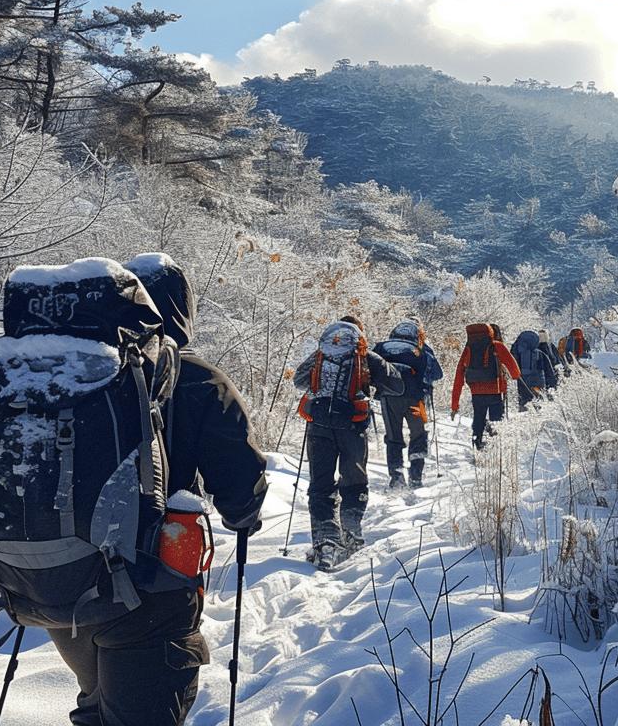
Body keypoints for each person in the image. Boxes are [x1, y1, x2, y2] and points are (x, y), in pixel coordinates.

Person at [46, 253, 268, 726]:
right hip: (152, 580)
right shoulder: (200, 381)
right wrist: (245, 516)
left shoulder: (68, 377)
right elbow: (238, 486)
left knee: (100, 698)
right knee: (144, 707)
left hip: (61, 581)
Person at [294, 316, 403, 569]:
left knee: (321, 485)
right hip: (353, 426)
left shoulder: (321, 353)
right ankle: (351, 532)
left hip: (319, 425)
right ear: (360, 335)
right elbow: (396, 385)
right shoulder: (365, 356)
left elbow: (299, 379)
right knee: (353, 482)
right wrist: (373, 385)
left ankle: (326, 544)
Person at [372, 318, 443, 487]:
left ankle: (396, 477)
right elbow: (437, 374)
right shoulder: (421, 350)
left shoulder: (382, 347)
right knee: (418, 434)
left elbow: (370, 370)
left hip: (389, 398)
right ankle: (416, 476)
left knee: (393, 436)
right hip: (416, 400)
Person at [450, 323, 521, 449]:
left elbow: (459, 375)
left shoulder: (468, 348)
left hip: (476, 391)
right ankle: (496, 447)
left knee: (478, 418)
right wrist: (514, 376)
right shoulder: (497, 346)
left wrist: (455, 404)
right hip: (495, 390)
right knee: (496, 421)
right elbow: (514, 370)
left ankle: (477, 443)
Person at [510, 329, 557, 409]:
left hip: (523, 382)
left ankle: (524, 416)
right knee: (539, 403)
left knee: (524, 403)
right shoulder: (540, 353)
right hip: (538, 383)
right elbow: (548, 369)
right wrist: (552, 384)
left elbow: (511, 365)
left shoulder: (516, 352)